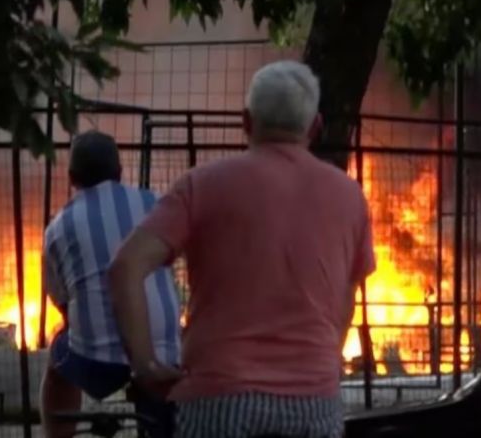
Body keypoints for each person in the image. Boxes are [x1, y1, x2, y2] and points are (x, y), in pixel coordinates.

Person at [109, 60, 375, 438]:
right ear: (315, 126)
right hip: (315, 402)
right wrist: (322, 361)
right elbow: (345, 302)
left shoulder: (200, 186)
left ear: (246, 122)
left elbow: (125, 267)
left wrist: (145, 364)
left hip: (219, 398)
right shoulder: (351, 197)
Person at [41, 131, 181, 438]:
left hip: (98, 359)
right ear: (119, 172)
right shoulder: (154, 202)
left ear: (71, 178)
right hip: (167, 349)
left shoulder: (57, 227)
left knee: (58, 359)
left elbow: (60, 300)